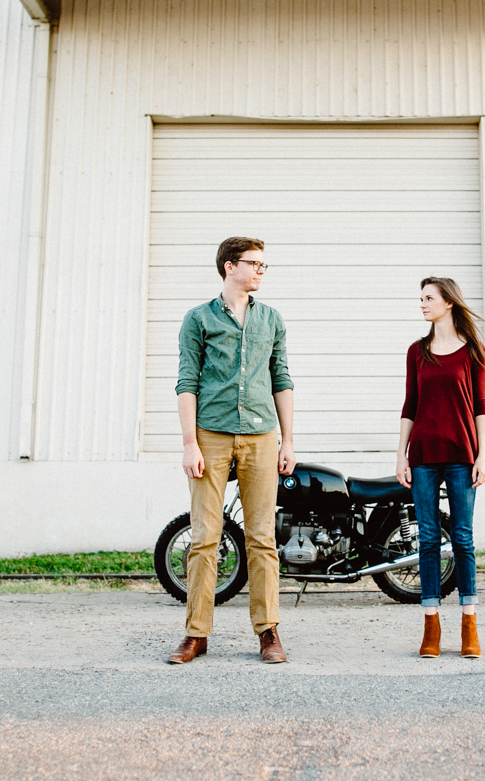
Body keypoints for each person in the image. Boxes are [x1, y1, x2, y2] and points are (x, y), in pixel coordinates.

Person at [167, 237, 297, 665]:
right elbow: (187, 381)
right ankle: (196, 634)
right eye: (254, 263)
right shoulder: (198, 319)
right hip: (211, 435)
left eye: (264, 265)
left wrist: (289, 441)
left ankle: (268, 631)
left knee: (262, 539)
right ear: (229, 267)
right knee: (205, 537)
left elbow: (282, 380)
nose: (261, 271)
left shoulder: (272, 320)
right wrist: (190, 444)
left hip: (262, 436)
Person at [395, 276, 485, 658]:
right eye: (420, 298)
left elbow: (481, 406)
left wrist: (483, 454)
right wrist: (400, 454)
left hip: (462, 455)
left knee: (462, 539)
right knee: (429, 539)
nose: (422, 304)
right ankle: (431, 624)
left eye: (428, 298)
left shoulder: (473, 352)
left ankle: (469, 624)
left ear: (448, 302)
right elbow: (410, 406)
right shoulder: (417, 351)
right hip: (422, 458)